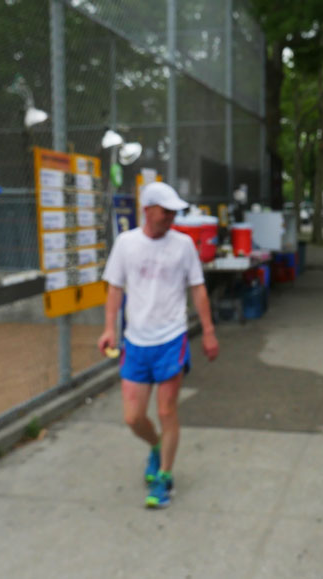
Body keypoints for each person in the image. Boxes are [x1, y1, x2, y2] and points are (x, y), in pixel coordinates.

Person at [98, 181, 219, 508]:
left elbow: (198, 290)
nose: (170, 217)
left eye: (173, 212)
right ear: (147, 210)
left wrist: (207, 331)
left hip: (171, 339)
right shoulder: (126, 244)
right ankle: (155, 447)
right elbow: (114, 289)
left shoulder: (183, 245)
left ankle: (165, 477)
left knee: (166, 410)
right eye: (165, 211)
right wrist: (109, 328)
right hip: (136, 342)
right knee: (133, 417)